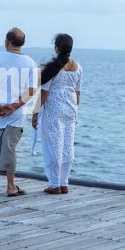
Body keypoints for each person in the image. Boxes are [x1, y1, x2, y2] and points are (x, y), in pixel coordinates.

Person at [0, 28, 38, 197]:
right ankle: (11, 186)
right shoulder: (30, 63)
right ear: (22, 43)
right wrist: (13, 106)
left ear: (7, 41)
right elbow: (31, 90)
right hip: (16, 114)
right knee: (9, 149)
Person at [32, 34, 82, 195]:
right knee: (68, 146)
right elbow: (78, 93)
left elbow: (44, 95)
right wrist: (74, 112)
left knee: (53, 147)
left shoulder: (53, 69)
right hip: (71, 111)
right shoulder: (78, 67)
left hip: (54, 111)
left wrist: (34, 113)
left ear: (57, 48)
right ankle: (64, 183)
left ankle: (54, 184)